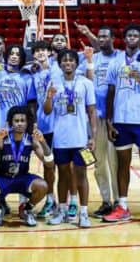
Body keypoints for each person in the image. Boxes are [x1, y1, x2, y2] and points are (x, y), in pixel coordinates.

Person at [102, 24, 140, 226]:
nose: (132, 38)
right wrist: (109, 121)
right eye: (129, 35)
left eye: (136, 35)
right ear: (124, 38)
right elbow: (110, 93)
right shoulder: (115, 63)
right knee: (122, 166)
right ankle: (122, 206)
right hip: (121, 120)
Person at [45, 49, 97, 228]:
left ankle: (83, 213)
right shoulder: (54, 83)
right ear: (59, 64)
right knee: (63, 175)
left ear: (76, 63)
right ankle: (61, 210)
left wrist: (93, 137)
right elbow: (47, 110)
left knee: (81, 175)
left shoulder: (85, 83)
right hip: (61, 138)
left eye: (71, 60)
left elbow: (91, 111)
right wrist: (49, 97)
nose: (68, 63)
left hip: (81, 138)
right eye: (64, 61)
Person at [0, 106, 52, 227]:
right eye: (16, 121)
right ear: (10, 123)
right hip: (3, 178)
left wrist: (43, 142)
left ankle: (27, 209)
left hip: (22, 178)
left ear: (27, 122)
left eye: (22, 120)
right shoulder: (3, 140)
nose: (19, 123)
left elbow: (49, 163)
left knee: (42, 186)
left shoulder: (31, 140)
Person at [78, 27, 122, 218]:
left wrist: (89, 34)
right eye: (100, 37)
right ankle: (106, 200)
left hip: (115, 117)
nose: (102, 40)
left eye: (105, 36)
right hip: (93, 118)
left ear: (113, 38)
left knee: (115, 162)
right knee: (98, 163)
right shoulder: (89, 60)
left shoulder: (120, 57)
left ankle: (120, 201)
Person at [30, 40, 64, 219]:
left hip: (63, 125)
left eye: (44, 50)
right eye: (37, 51)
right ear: (34, 55)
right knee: (48, 166)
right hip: (45, 126)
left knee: (66, 167)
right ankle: (51, 200)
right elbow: (33, 103)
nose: (41, 53)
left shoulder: (59, 70)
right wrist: (34, 123)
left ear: (50, 52)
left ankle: (68, 203)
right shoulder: (34, 77)